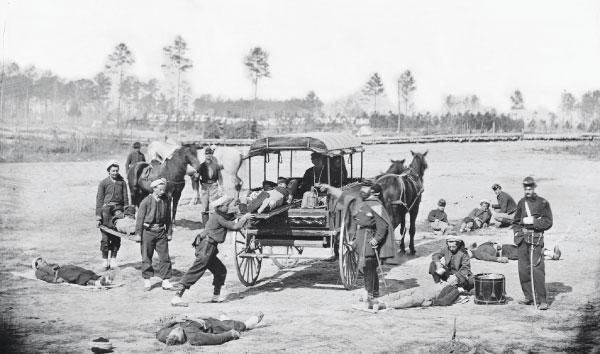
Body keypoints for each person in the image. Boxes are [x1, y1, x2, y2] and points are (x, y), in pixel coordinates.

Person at [171, 197, 253, 306]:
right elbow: (234, 226)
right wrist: (245, 218)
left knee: (220, 270)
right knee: (196, 270)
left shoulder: (219, 214)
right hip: (206, 247)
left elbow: (229, 218)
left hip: (209, 247)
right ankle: (176, 298)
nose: (230, 208)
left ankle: (216, 297)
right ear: (221, 207)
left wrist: (239, 213)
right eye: (228, 206)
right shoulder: (218, 217)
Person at [352, 182, 396, 309]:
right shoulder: (367, 203)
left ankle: (369, 294)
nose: (363, 190)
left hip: (368, 238)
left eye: (366, 189)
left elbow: (383, 226)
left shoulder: (375, 205)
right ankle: (374, 292)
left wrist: (376, 239)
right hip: (362, 238)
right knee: (369, 267)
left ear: (373, 192)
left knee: (368, 265)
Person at [512, 176, 553, 310]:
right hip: (522, 240)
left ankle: (542, 300)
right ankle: (529, 297)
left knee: (537, 269)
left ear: (534, 188)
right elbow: (516, 222)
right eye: (526, 188)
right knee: (523, 270)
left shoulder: (543, 203)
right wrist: (517, 233)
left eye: (530, 188)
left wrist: (533, 222)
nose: (528, 190)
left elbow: (548, 222)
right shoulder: (521, 203)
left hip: (536, 239)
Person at [135, 178, 174, 291]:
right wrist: (138, 234)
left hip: (161, 232)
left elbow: (168, 218)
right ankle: (147, 281)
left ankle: (165, 281)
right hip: (148, 232)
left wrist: (169, 232)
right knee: (146, 256)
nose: (163, 192)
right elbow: (140, 219)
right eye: (160, 189)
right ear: (154, 189)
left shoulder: (165, 201)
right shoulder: (146, 201)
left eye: (164, 189)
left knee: (165, 257)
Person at [96, 161, 129, 270]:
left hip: (118, 210)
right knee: (105, 236)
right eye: (113, 171)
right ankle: (105, 259)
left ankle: (114, 259)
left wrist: (127, 213)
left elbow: (126, 199)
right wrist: (98, 216)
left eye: (116, 171)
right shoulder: (103, 183)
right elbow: (99, 200)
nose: (115, 173)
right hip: (106, 210)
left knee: (116, 235)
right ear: (108, 171)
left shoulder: (122, 183)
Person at [156, 312, 264, 346]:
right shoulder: (194, 337)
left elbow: (161, 329)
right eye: (178, 331)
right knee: (229, 326)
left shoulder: (163, 334)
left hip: (195, 319)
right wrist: (230, 335)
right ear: (182, 339)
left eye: (175, 330)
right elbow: (215, 339)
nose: (177, 328)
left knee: (221, 320)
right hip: (210, 326)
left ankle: (225, 319)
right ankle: (249, 323)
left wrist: (174, 320)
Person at [376, 282, 461, 310]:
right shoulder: (445, 282)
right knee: (400, 294)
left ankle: (384, 305)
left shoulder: (454, 290)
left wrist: (431, 302)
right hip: (421, 289)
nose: (452, 277)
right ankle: (376, 300)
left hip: (426, 296)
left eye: (455, 277)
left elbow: (445, 301)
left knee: (409, 300)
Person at [32, 257, 111, 287]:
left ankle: (99, 278)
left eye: (43, 259)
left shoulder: (49, 265)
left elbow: (56, 265)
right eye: (40, 261)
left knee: (82, 270)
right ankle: (95, 283)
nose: (44, 261)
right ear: (37, 266)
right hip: (60, 274)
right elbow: (44, 277)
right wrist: (55, 280)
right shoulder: (38, 271)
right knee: (77, 275)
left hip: (64, 268)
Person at [468, 241, 561, 263]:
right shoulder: (478, 254)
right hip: (505, 252)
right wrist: (498, 259)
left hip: (504, 248)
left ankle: (550, 256)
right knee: (526, 251)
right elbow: (488, 257)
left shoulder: (478, 249)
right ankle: (552, 254)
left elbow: (488, 243)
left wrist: (493, 243)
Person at [198, 147, 222, 225]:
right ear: (205, 155)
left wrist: (221, 187)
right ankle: (205, 226)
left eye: (210, 154)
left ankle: (213, 224)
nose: (209, 155)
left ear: (212, 155)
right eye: (207, 154)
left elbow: (220, 177)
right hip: (205, 187)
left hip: (214, 186)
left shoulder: (216, 165)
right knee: (204, 207)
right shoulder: (201, 166)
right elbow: (197, 177)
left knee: (214, 207)